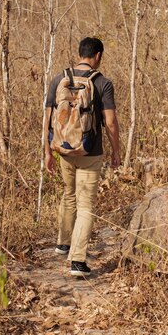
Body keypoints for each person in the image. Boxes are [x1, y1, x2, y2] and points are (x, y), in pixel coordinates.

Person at [44, 37, 120, 277]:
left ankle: (63, 243)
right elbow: (110, 122)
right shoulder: (102, 83)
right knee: (86, 206)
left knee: (69, 195)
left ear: (80, 53)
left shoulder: (59, 79)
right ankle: (77, 261)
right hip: (90, 152)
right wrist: (116, 151)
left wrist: (47, 152)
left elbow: (46, 120)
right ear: (97, 55)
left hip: (63, 149)